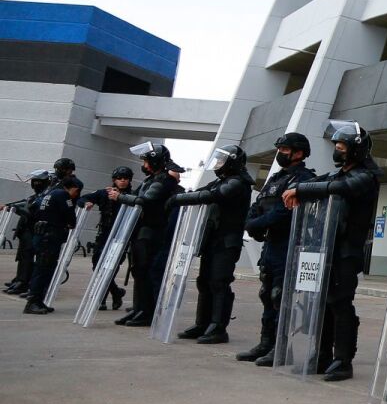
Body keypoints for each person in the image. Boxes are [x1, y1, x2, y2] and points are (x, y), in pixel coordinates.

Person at [283, 121, 381, 382]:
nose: (337, 151)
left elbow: (339, 188)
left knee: (340, 303)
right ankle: (322, 355)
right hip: (326, 247)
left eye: (341, 146)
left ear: (356, 150)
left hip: (347, 251)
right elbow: (324, 183)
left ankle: (342, 360)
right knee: (322, 303)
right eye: (336, 146)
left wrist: (301, 189)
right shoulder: (339, 174)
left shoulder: (366, 176)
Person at [239, 132, 316, 366]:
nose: (280, 154)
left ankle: (282, 349)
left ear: (299, 153)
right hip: (271, 245)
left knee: (280, 296)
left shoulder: (304, 179)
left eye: (285, 151)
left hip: (289, 245)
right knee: (266, 294)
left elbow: (284, 212)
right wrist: (251, 223)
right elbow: (259, 204)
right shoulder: (276, 178)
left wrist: (257, 224)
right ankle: (266, 343)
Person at [168, 145, 253, 344]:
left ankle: (218, 327)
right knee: (204, 281)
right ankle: (202, 323)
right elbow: (201, 192)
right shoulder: (220, 181)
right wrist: (180, 197)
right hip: (212, 239)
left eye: (222, 160)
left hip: (227, 240)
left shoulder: (238, 183)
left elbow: (212, 196)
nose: (218, 164)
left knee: (219, 282)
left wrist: (178, 199)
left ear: (232, 162)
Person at [111, 143, 181, 327]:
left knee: (147, 272)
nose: (144, 164)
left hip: (152, 231)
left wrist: (120, 197)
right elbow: (135, 196)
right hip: (141, 231)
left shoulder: (164, 180)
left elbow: (145, 201)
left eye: (146, 160)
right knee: (139, 271)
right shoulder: (151, 179)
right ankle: (138, 308)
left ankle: (146, 312)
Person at [23, 175, 83, 314]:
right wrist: (70, 222)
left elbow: (34, 209)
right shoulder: (63, 195)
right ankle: (33, 302)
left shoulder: (49, 194)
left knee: (43, 268)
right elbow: (71, 217)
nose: (76, 194)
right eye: (76, 191)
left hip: (42, 235)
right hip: (49, 237)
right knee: (42, 269)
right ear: (72, 187)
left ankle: (38, 301)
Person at [79, 167, 134, 311]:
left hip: (120, 238)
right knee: (98, 265)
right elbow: (83, 198)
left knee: (110, 268)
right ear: (114, 179)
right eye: (120, 178)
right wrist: (86, 203)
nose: (122, 181)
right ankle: (116, 292)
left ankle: (101, 299)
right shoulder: (104, 193)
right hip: (104, 236)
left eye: (125, 178)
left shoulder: (132, 196)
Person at [3, 170, 51, 296]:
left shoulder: (46, 196)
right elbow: (25, 203)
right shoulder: (35, 196)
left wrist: (17, 209)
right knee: (23, 257)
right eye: (34, 181)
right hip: (25, 231)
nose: (35, 184)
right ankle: (19, 279)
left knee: (28, 258)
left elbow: (32, 212)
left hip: (34, 231)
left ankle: (24, 282)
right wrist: (8, 206)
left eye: (38, 182)